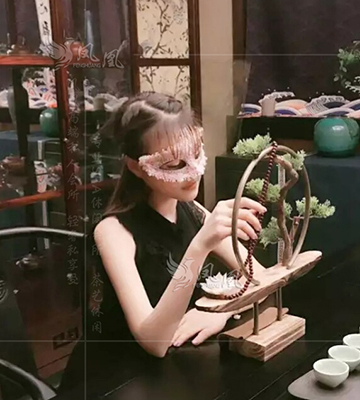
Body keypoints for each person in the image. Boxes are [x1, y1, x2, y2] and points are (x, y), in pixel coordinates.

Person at [59, 92, 267, 394]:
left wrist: (220, 312)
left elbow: (261, 279)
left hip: (177, 369)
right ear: (135, 167)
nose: (193, 171)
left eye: (196, 152)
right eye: (173, 164)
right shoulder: (113, 232)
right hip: (116, 380)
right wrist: (200, 246)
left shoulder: (193, 210)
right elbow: (154, 342)